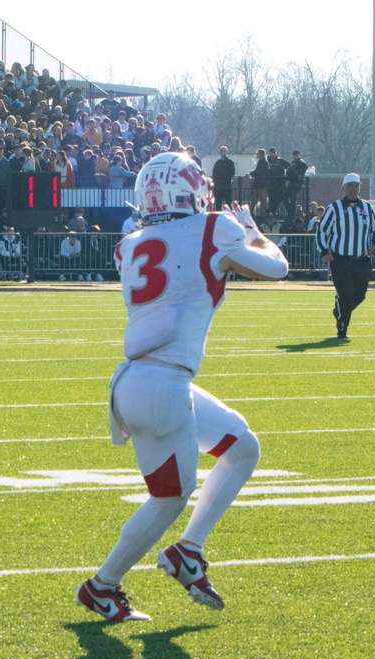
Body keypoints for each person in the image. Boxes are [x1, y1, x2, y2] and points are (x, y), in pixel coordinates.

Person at [76, 152, 288, 622]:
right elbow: (277, 268)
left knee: (242, 447)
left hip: (140, 379)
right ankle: (102, 587)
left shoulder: (129, 243)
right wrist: (253, 232)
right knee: (169, 496)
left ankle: (188, 550)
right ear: (193, 190)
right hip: (163, 386)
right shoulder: (212, 228)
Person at [317, 172, 375, 339]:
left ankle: (339, 310)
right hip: (341, 260)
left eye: (356, 185)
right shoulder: (334, 208)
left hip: (362, 260)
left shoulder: (367, 208)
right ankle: (342, 330)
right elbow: (322, 230)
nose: (353, 189)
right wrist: (325, 251)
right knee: (346, 294)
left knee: (359, 295)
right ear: (344, 188)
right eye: (350, 186)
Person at [284, 150, 307, 220]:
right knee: (284, 197)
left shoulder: (301, 163)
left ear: (299, 155)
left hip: (296, 183)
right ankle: (290, 211)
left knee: (293, 199)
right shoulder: (292, 163)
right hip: (291, 183)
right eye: (294, 155)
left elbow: (303, 169)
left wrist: (295, 173)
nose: (295, 156)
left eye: (296, 155)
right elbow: (288, 172)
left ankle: (292, 214)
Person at [212, 145, 235, 211]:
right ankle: (219, 219)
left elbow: (232, 173)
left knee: (228, 204)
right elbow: (214, 173)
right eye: (221, 151)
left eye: (224, 151)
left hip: (227, 187)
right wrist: (215, 182)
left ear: (226, 152)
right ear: (220, 152)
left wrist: (225, 179)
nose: (223, 152)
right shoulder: (217, 163)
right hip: (218, 187)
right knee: (218, 205)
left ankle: (231, 218)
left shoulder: (230, 162)